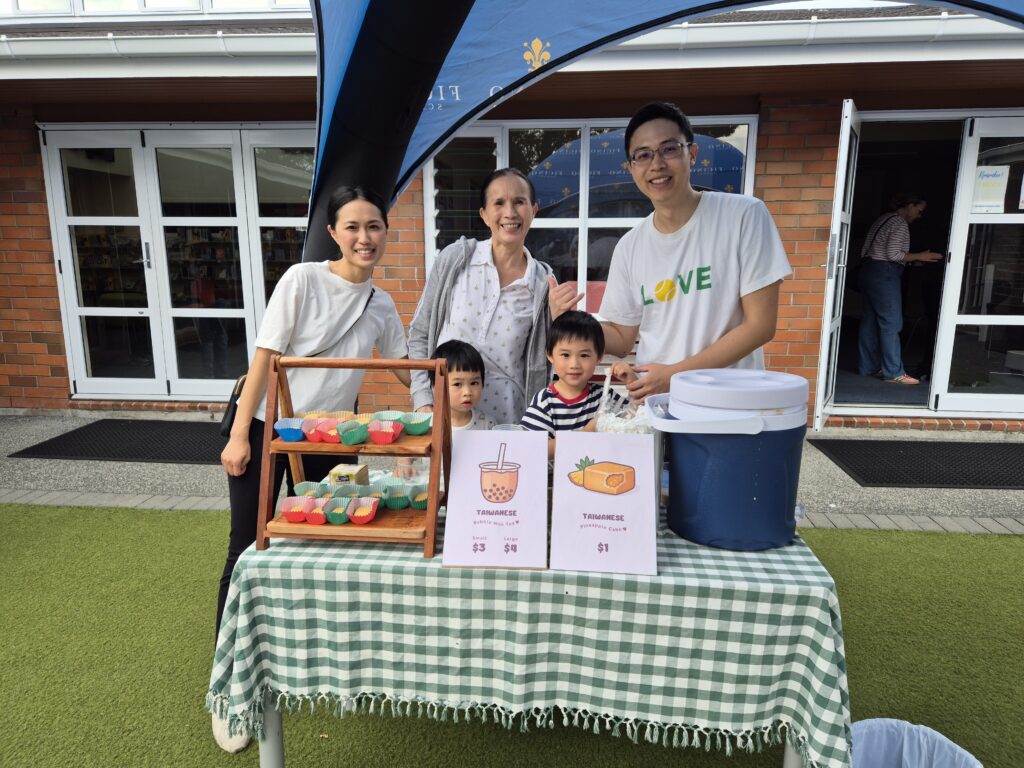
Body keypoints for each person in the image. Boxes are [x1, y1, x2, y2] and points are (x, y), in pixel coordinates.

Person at [213, 186, 409, 752]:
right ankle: (230, 685)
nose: (364, 238)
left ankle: (307, 656)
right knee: (247, 545)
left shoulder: (382, 303)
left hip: (334, 439)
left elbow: (401, 366)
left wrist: (443, 392)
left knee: (325, 542)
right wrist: (238, 433)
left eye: (374, 226)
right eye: (353, 227)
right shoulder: (301, 280)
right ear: (333, 232)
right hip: (270, 428)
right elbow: (266, 357)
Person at [598, 102, 792, 401]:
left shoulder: (744, 215)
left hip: (729, 406)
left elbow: (760, 326)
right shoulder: (629, 246)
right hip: (658, 407)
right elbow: (623, 338)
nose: (657, 164)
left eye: (669, 149)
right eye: (643, 155)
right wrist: (564, 323)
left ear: (692, 154)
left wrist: (676, 375)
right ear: (631, 168)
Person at [408, 168, 583, 425]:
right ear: (484, 214)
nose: (510, 213)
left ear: (533, 210)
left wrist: (558, 321)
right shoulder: (456, 260)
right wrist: (423, 401)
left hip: (508, 420)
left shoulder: (543, 284)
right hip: (446, 417)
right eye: (499, 203)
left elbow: (553, 362)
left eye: (519, 202)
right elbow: (420, 334)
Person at [857, 193, 944, 385]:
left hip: (869, 271)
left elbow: (870, 250)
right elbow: (894, 254)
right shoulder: (899, 223)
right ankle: (893, 372)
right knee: (892, 322)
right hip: (884, 273)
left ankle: (868, 367)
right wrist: (920, 256)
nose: (919, 216)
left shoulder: (883, 218)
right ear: (910, 205)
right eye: (919, 211)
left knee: (870, 322)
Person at [521, 311, 625, 456]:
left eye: (584, 355)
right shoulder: (545, 402)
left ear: (599, 356)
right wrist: (588, 432)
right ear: (550, 355)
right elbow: (533, 448)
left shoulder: (604, 396)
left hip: (600, 474)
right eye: (565, 355)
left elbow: (634, 418)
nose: (574, 364)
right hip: (556, 478)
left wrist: (632, 382)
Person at [434, 339, 496, 431]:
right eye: (457, 384)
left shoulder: (488, 425)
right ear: (437, 387)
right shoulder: (431, 425)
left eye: (474, 383)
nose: (467, 392)